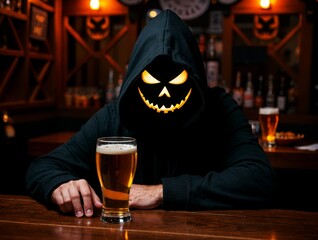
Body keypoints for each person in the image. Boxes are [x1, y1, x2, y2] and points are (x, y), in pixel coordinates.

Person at [26, 10, 276, 218]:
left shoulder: (220, 109)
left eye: (176, 80)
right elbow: (43, 167)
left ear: (195, 79)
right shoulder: (115, 115)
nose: (165, 94)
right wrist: (61, 185)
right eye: (152, 79)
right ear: (136, 77)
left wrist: (161, 192)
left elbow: (260, 178)